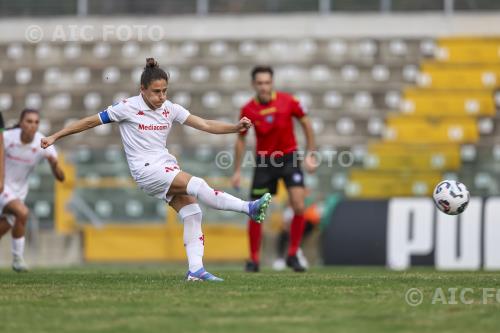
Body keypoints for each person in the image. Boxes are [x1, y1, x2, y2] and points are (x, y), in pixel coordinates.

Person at [41, 58, 271, 282]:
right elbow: (89, 122)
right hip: (146, 170)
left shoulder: (169, 108)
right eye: (156, 92)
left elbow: (205, 125)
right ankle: (248, 207)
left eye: (165, 91)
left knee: (192, 212)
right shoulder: (127, 107)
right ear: (142, 89)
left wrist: (235, 128)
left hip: (165, 165)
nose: (161, 97)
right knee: (198, 185)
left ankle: (196, 271)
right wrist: (55, 136)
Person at [232, 65, 317, 272]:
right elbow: (241, 140)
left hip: (288, 158)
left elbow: (306, 123)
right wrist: (237, 170)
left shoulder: (289, 101)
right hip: (264, 163)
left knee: (298, 204)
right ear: (253, 84)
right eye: (260, 83)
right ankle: (253, 259)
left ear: (272, 83)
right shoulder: (248, 110)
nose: (264, 86)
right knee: (257, 210)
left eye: (267, 82)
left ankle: (292, 254)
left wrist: (311, 153)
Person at [0, 109, 65, 272]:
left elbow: (61, 178)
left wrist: (54, 165)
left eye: (36, 122)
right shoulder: (8, 138)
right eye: (29, 121)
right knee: (22, 212)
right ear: (21, 123)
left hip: (18, 193)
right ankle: (17, 260)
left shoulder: (42, 142)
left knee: (8, 223)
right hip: (2, 187)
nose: (33, 125)